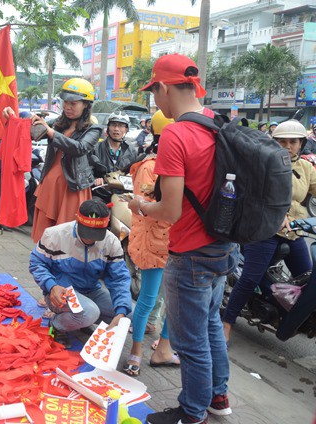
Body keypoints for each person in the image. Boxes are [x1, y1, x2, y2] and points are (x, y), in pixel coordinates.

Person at [129, 53, 235, 424]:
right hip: (223, 245)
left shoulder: (175, 133)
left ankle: (191, 413)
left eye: (153, 91)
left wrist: (141, 205)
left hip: (190, 251)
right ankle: (218, 397)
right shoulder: (217, 123)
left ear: (163, 87)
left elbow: (170, 211)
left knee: (190, 343)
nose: (153, 99)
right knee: (210, 327)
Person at [222, 120, 316, 343]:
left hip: (293, 231)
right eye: (282, 141)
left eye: (293, 142)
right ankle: (227, 322)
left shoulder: (306, 168)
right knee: (249, 279)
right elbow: (253, 195)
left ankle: (288, 316)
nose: (287, 146)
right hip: (263, 229)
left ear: (301, 144)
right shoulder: (262, 165)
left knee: (307, 280)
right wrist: (277, 213)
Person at [4, 78, 102, 243]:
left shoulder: (94, 129)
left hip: (72, 188)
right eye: (66, 102)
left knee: (67, 238)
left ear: (86, 104)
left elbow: (79, 148)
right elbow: (30, 128)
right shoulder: (58, 124)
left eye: (73, 103)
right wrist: (12, 116)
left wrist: (50, 132)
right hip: (50, 185)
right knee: (45, 237)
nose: (68, 107)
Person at [29, 199, 132, 346]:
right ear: (77, 220)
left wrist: (121, 310)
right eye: (86, 232)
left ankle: (81, 320)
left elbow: (120, 279)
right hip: (61, 293)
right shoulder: (55, 234)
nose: (90, 238)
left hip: (92, 292)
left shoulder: (111, 241)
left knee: (130, 315)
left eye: (95, 234)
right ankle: (57, 324)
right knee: (90, 312)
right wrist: (51, 286)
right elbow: (36, 263)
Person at [123, 110, 179, 377]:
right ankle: (136, 350)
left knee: (174, 301)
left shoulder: (182, 164)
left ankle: (164, 347)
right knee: (147, 298)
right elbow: (145, 206)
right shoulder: (150, 166)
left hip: (177, 241)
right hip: (155, 242)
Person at [90, 111, 138, 183]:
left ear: (126, 129)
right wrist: (95, 179)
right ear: (108, 127)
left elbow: (135, 173)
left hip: (123, 193)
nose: (116, 129)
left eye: (121, 125)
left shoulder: (131, 150)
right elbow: (87, 172)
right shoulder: (96, 148)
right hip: (101, 192)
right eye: (113, 125)